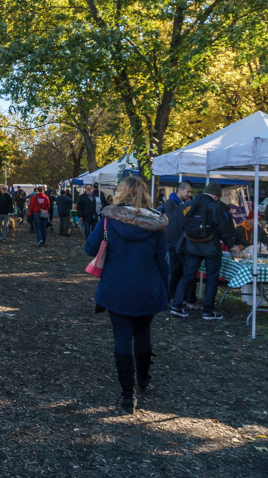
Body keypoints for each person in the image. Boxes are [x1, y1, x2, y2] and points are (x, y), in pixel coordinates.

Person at [84, 175, 169, 414]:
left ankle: (127, 394)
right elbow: (163, 261)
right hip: (148, 287)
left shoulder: (109, 220)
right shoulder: (156, 223)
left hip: (117, 286)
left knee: (122, 337)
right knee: (143, 334)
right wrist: (166, 290)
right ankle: (143, 379)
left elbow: (90, 248)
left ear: (121, 192)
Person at [170, 182, 236, 320]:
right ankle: (208, 311)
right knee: (212, 279)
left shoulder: (188, 205)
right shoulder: (214, 206)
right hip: (211, 248)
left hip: (191, 246)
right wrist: (231, 245)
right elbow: (223, 229)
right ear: (214, 195)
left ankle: (176, 306)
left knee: (187, 275)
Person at [161, 182, 197, 309]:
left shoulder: (184, 203)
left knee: (181, 271)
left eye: (191, 192)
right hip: (172, 241)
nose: (190, 194)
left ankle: (180, 296)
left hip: (181, 242)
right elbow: (174, 221)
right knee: (174, 270)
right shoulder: (170, 203)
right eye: (188, 191)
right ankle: (170, 296)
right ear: (180, 190)